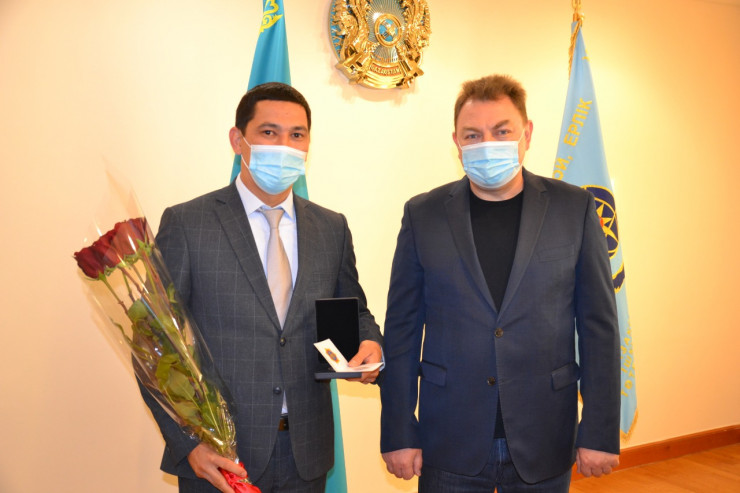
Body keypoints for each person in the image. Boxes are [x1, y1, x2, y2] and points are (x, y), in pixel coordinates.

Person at [379, 74, 620, 492]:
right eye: (473, 134)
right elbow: (401, 330)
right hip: (448, 437)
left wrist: (599, 429)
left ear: (527, 133)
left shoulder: (574, 208)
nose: (487, 143)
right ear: (456, 142)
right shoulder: (423, 215)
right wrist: (399, 430)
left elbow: (599, 327)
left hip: (545, 433)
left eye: (502, 131)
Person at [140, 82, 383, 493]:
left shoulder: (331, 227)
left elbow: (354, 309)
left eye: (297, 135)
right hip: (220, 454)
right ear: (238, 140)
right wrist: (189, 444)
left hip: (306, 454)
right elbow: (153, 340)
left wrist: (371, 342)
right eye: (269, 132)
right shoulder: (188, 223)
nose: (284, 146)